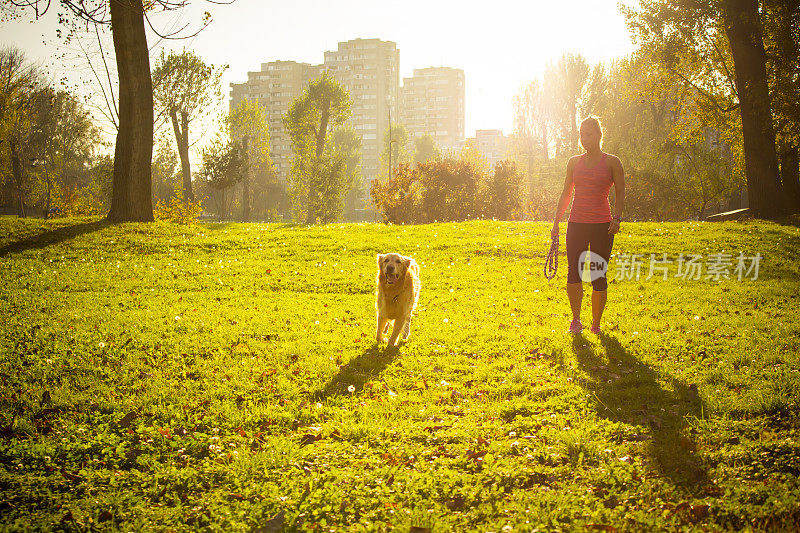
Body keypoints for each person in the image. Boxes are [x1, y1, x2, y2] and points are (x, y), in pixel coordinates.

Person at [551, 116, 625, 334]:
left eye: (588, 134)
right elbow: (566, 193)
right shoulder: (574, 162)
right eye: (581, 134)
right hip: (576, 224)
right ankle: (576, 320)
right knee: (573, 272)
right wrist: (556, 222)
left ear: (599, 135)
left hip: (602, 226)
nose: (584, 139)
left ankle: (595, 324)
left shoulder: (612, 162)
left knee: (597, 274)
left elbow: (620, 193)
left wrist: (617, 218)